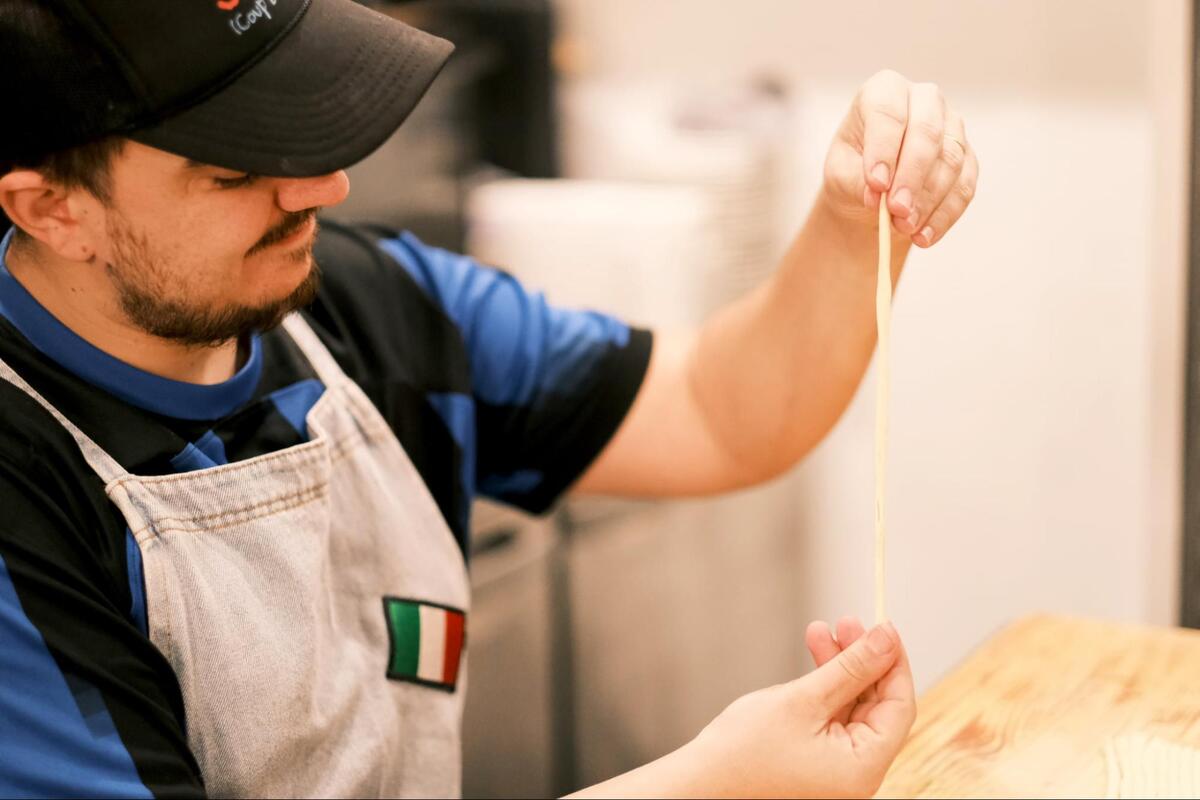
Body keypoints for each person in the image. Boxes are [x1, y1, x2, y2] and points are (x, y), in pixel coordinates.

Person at [0, 0, 976, 797]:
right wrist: (715, 785)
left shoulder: (373, 307)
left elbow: (723, 411)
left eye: (310, 128)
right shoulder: (23, 489)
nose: (326, 185)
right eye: (242, 169)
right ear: (52, 208)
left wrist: (854, 220)